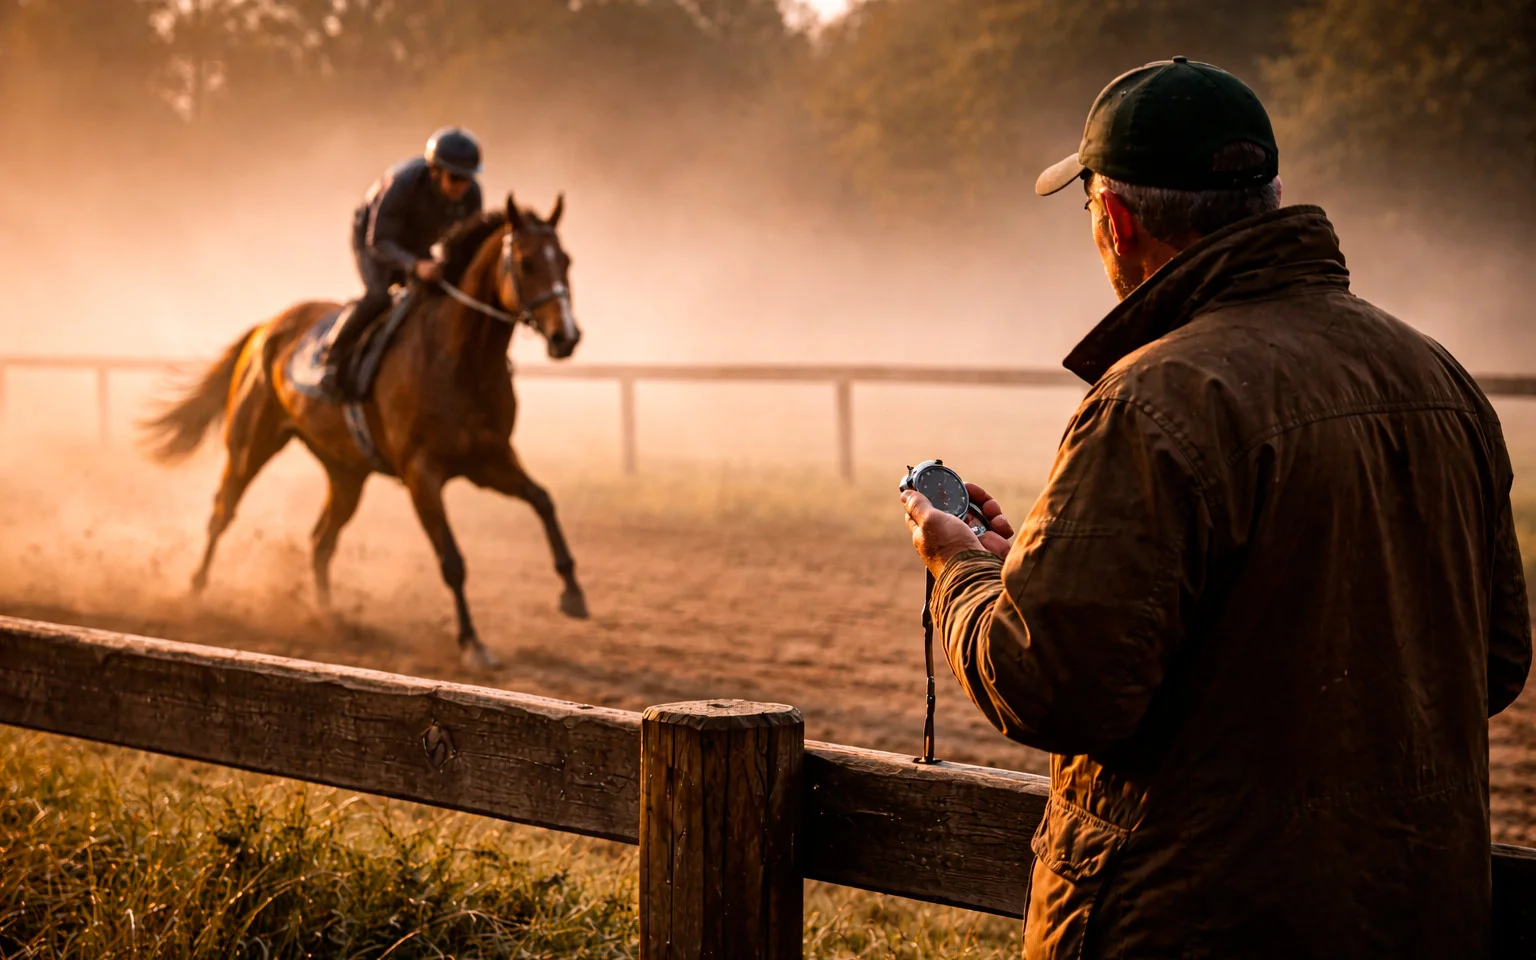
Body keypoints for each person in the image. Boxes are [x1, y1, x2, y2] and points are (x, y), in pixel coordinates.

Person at [900, 57, 1530, 958]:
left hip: (1194, 923)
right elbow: (1496, 659)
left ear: (1113, 218)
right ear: (1268, 198)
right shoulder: (1438, 376)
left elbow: (1051, 684)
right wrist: (1030, 571)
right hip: (1420, 913)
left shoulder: (1152, 398)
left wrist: (959, 567)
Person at [320, 126, 485, 399]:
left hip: (418, 246)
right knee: (379, 296)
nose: (462, 187)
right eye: (455, 178)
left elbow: (467, 246)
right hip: (374, 239)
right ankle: (332, 358)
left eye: (467, 179)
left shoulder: (471, 194)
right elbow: (379, 241)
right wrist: (415, 265)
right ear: (434, 171)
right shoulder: (402, 184)